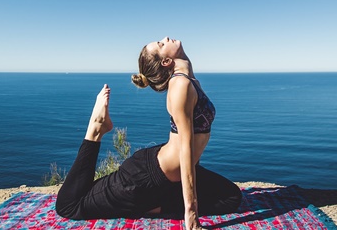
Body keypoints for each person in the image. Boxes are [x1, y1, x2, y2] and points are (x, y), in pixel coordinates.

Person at [55, 37, 242, 229]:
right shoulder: (180, 86)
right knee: (70, 206)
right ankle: (95, 129)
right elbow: (185, 151)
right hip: (144, 178)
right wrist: (191, 215)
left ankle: (151, 205)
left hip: (169, 174)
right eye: (161, 44)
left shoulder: (188, 79)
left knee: (231, 197)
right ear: (166, 61)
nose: (165, 39)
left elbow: (192, 148)